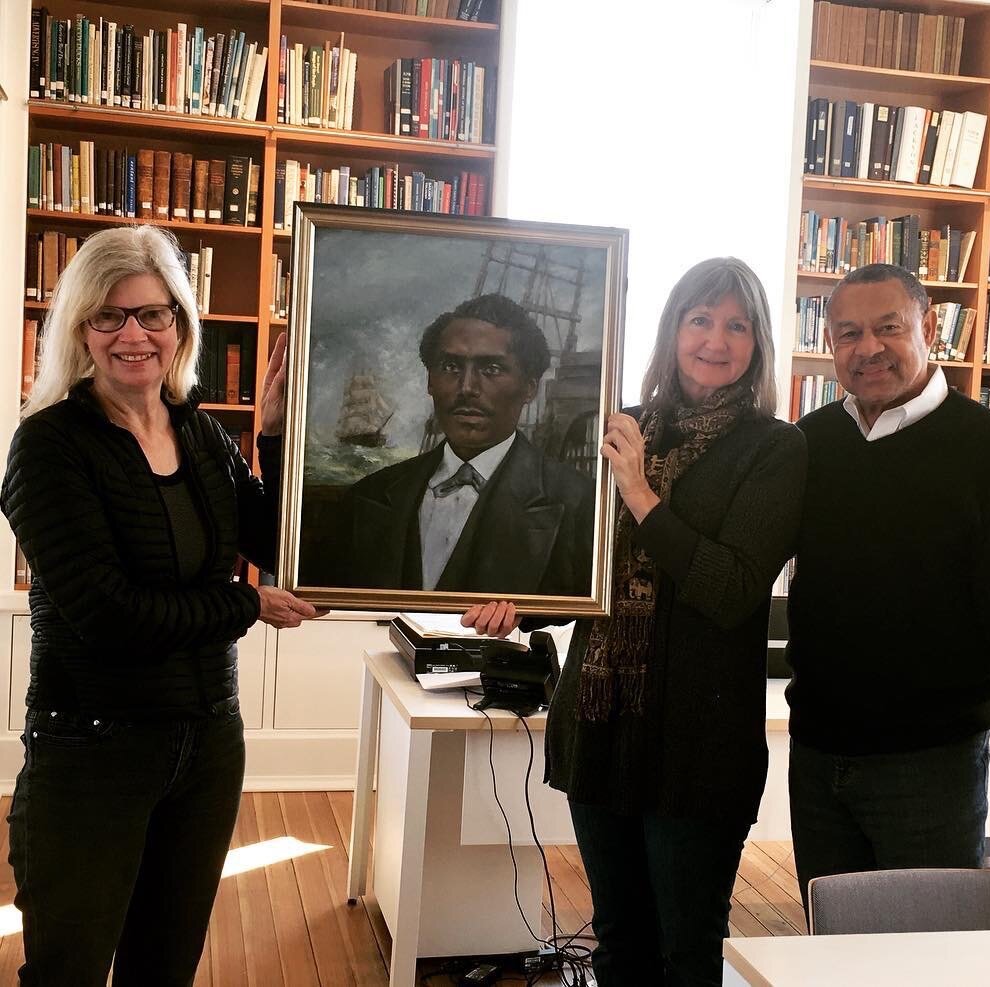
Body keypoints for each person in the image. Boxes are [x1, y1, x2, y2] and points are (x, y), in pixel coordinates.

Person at [466, 258, 807, 985]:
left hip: (697, 749)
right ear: (672, 329)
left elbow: (731, 588)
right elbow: (574, 563)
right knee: (618, 941)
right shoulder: (619, 426)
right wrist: (518, 603)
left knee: (686, 949)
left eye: (736, 325)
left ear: (758, 343)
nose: (716, 339)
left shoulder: (775, 448)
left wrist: (643, 494)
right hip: (599, 730)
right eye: (700, 319)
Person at [0, 224, 322, 986]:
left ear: (181, 324)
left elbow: (275, 544)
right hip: (92, 753)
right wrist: (244, 606)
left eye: (153, 314)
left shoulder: (202, 432)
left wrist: (271, 437)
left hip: (208, 744)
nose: (133, 335)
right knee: (68, 969)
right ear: (79, 328)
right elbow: (108, 615)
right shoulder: (47, 447)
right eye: (108, 317)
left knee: (164, 966)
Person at [785, 262, 990, 921]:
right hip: (818, 762)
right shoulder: (809, 444)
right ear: (830, 343)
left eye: (889, 327)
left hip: (930, 773)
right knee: (832, 959)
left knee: (923, 958)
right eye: (849, 332)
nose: (868, 348)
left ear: (929, 327)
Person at [300, 292, 595, 596]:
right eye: (451, 367)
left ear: (530, 387)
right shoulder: (368, 496)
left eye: (491, 369)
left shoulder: (578, 503)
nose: (467, 388)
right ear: (430, 381)